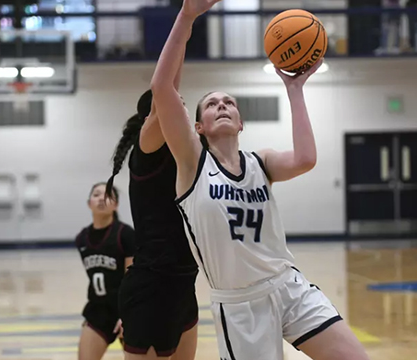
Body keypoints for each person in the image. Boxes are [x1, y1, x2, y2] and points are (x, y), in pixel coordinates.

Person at [149, 1, 370, 359]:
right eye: (212, 104)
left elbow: (305, 159)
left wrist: (295, 90)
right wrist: (186, 16)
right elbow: (161, 88)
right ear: (199, 126)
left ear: (240, 123)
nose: (222, 105)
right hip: (240, 305)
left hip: (288, 285)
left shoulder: (260, 163)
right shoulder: (191, 162)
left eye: (230, 103)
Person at [105, 61, 199, 359]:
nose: (182, 109)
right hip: (151, 287)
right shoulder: (148, 151)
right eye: (176, 104)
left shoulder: (187, 155)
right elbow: (165, 87)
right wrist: (185, 21)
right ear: (153, 116)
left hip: (185, 282)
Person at [76, 182, 135, 360]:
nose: (102, 198)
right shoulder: (82, 239)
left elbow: (132, 278)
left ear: (116, 204)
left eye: (108, 195)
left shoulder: (125, 234)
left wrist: (127, 315)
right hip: (98, 310)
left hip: (125, 309)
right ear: (89, 203)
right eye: (96, 194)